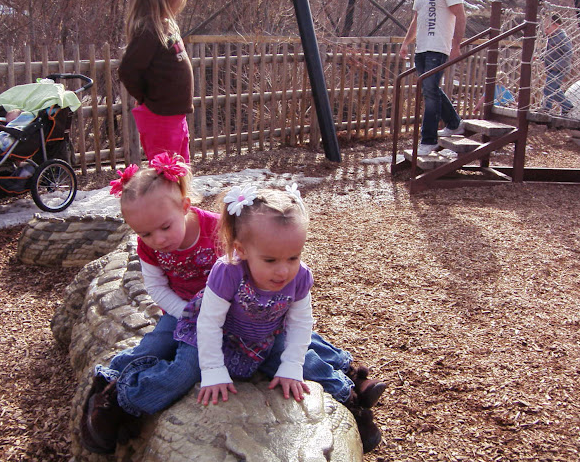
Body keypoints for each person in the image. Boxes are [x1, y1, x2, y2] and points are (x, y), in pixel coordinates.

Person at [81, 183, 383, 454]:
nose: (283, 271)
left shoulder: (300, 276)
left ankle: (351, 399)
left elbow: (301, 323)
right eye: (270, 260)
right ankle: (120, 400)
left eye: (293, 257)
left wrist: (291, 366)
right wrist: (212, 370)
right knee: (183, 372)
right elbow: (209, 323)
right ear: (241, 250)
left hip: (262, 336)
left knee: (304, 364)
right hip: (210, 331)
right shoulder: (227, 272)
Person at [118, 0, 194, 163]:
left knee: (181, 172)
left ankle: (179, 195)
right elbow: (128, 70)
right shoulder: (149, 30)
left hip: (175, 117)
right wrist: (145, 97)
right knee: (166, 174)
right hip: (161, 119)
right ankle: (166, 195)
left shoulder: (166, 26)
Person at [399, 0, 467, 155]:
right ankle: (454, 123)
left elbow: (460, 16)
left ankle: (429, 140)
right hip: (421, 47)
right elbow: (416, 19)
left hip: (438, 46)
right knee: (430, 89)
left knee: (430, 92)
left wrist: (456, 46)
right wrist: (406, 42)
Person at [541, 14, 574, 116]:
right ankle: (567, 106)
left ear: (556, 25)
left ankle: (546, 108)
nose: (545, 30)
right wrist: (540, 57)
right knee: (554, 89)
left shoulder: (562, 38)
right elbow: (548, 53)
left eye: (547, 27)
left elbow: (568, 53)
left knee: (548, 88)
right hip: (552, 68)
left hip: (559, 69)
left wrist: (557, 64)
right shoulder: (551, 38)